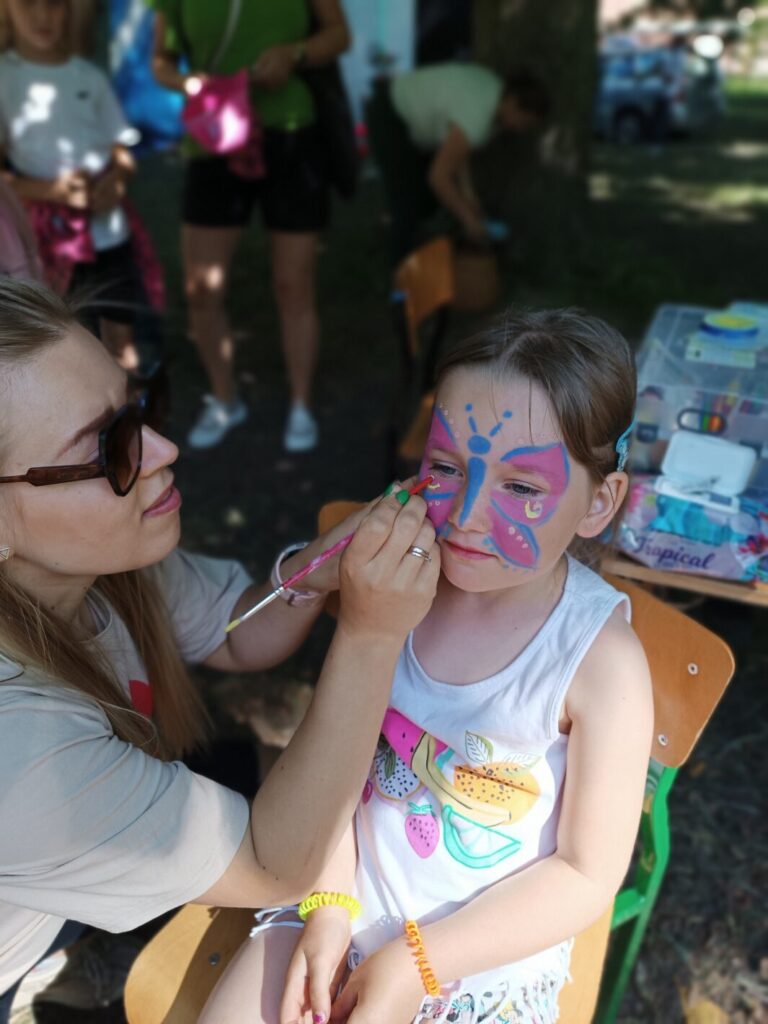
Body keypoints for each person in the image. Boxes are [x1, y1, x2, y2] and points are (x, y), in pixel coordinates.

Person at [0, 277, 440, 1021]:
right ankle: (66, 961)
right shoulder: (19, 754)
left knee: (268, 777)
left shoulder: (102, 566)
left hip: (67, 853)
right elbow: (276, 864)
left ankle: (88, 935)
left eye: (141, 407)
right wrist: (372, 634)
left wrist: (313, 572)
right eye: (109, 448)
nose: (164, 448)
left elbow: (238, 631)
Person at [199, 308, 655, 1024]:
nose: (467, 514)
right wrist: (328, 905)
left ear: (599, 502)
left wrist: (417, 964)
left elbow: (585, 874)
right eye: (445, 468)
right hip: (334, 895)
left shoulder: (603, 663)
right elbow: (335, 764)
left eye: (522, 487)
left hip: (476, 966)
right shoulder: (398, 590)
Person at [149, 0, 351, 452]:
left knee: (294, 284)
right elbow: (160, 60)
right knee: (202, 290)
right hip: (215, 136)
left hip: (292, 133)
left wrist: (294, 53)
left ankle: (301, 403)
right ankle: (225, 398)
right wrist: (189, 82)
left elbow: (338, 34)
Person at [0, 0, 151, 371]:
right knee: (62, 348)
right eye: (27, 4)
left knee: (121, 342)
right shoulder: (4, 78)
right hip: (47, 245)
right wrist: (50, 192)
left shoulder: (89, 76)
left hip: (109, 235)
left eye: (53, 4)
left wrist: (118, 181)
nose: (42, 16)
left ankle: (129, 406)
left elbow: (122, 152)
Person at [366, 64, 550, 264]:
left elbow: (460, 146)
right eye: (524, 122)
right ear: (513, 102)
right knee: (408, 202)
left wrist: (468, 194)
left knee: (426, 201)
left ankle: (415, 248)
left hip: (409, 117)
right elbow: (438, 177)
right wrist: (468, 219)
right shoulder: (481, 112)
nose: (521, 130)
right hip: (391, 112)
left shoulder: (495, 98)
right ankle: (402, 277)